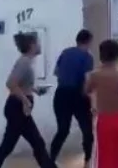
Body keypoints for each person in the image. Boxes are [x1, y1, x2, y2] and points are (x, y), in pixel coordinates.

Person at [0, 32, 57, 168]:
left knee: (11, 145)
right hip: (17, 108)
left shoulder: (27, 61)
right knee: (36, 143)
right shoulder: (24, 62)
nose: (39, 45)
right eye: (38, 42)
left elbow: (22, 84)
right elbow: (10, 83)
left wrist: (35, 90)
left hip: (18, 108)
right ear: (32, 45)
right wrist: (26, 101)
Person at [85, 39, 118, 168]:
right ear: (117, 54)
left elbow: (87, 90)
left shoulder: (95, 75)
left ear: (101, 55)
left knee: (104, 158)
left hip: (104, 120)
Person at [49, 29, 94, 165]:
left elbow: (56, 72)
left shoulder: (65, 52)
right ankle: (87, 161)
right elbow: (87, 79)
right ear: (89, 41)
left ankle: (50, 159)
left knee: (62, 130)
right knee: (87, 130)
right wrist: (88, 96)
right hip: (78, 95)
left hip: (61, 94)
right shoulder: (87, 56)